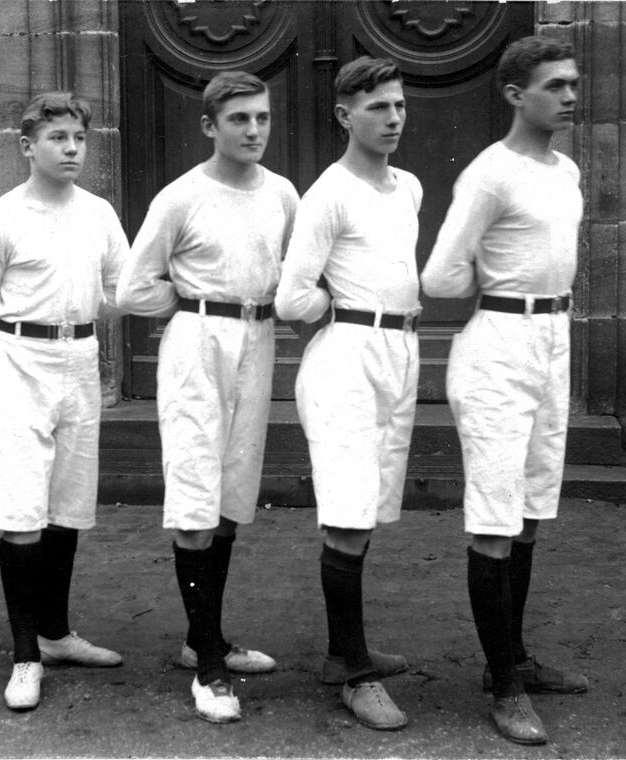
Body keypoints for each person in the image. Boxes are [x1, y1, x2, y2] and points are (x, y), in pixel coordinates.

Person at [421, 36, 588, 745]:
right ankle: (505, 686)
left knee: (530, 511)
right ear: (517, 95)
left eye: (573, 83)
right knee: (495, 520)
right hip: (498, 350)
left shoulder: (567, 170)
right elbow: (440, 275)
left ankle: (513, 658)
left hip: (553, 343)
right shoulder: (490, 174)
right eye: (555, 85)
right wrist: (495, 295)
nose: (570, 95)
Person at [116, 71, 298, 724]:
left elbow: (294, 270)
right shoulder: (181, 197)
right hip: (198, 345)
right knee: (195, 497)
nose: (254, 130)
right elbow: (133, 288)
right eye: (240, 119)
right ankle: (209, 671)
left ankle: (205, 640)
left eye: (262, 118)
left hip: (259, 341)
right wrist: (196, 304)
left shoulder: (281, 193)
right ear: (209, 125)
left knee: (229, 498)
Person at [0, 91, 128, 713]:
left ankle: (56, 636)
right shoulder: (1, 218)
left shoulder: (99, 213)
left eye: (79, 138)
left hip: (80, 360)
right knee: (21, 505)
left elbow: (120, 287)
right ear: (27, 146)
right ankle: (25, 655)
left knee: (67, 502)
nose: (71, 149)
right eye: (58, 138)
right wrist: (30, 325)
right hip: (21, 362)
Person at [275, 56, 419, 731]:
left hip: (399, 356)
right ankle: (354, 674)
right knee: (348, 513)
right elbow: (290, 297)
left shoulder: (409, 187)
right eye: (377, 107)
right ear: (344, 115)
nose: (392, 118)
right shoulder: (328, 194)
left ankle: (346, 650)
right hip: (346, 362)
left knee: (369, 506)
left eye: (398, 105)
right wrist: (336, 305)